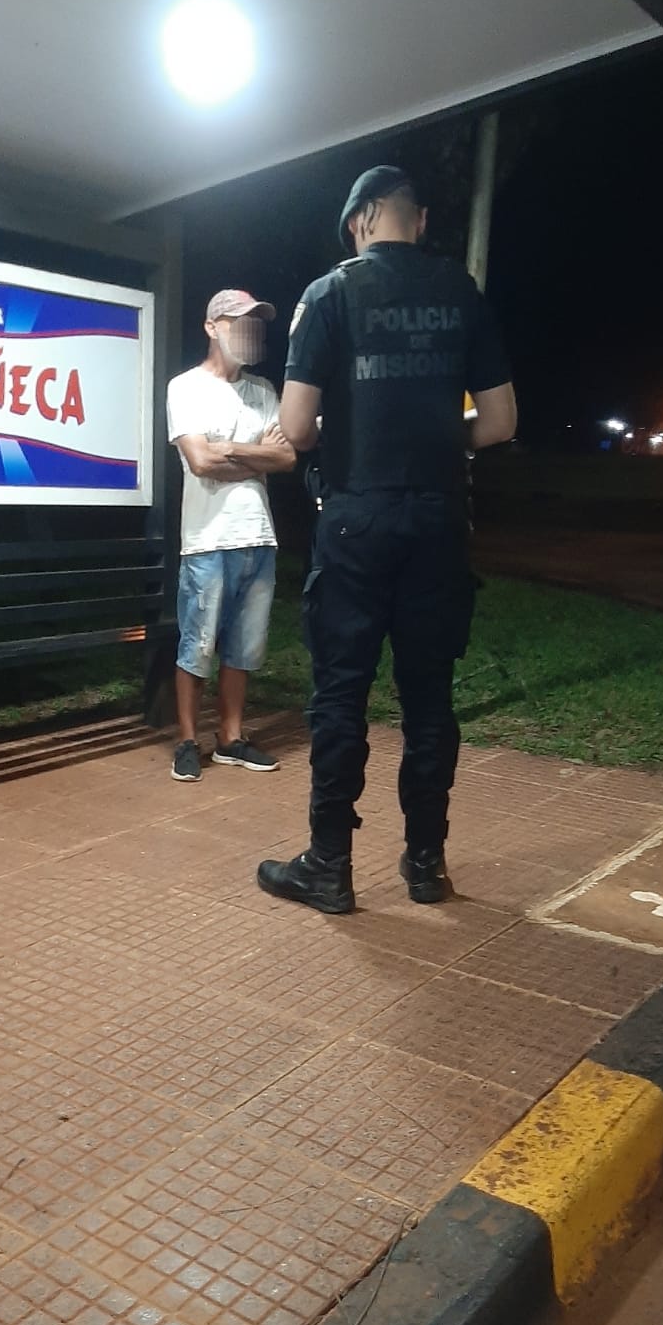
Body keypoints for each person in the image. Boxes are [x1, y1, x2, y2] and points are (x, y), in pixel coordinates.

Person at [257, 167, 517, 913]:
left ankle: (329, 866)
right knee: (430, 700)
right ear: (420, 219)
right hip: (439, 521)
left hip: (357, 519)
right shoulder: (462, 293)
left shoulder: (329, 294)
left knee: (341, 693)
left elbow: (296, 427)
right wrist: (435, 436)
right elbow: (500, 423)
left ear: (360, 220)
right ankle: (426, 865)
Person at [167, 288, 296, 782]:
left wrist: (230, 449)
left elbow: (286, 457)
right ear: (211, 327)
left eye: (254, 325)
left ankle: (230, 738)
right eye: (237, 323)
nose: (247, 332)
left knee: (244, 647)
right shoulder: (185, 387)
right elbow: (200, 461)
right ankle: (186, 740)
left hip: (258, 536)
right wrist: (254, 454)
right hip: (206, 537)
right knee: (197, 646)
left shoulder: (263, 390)